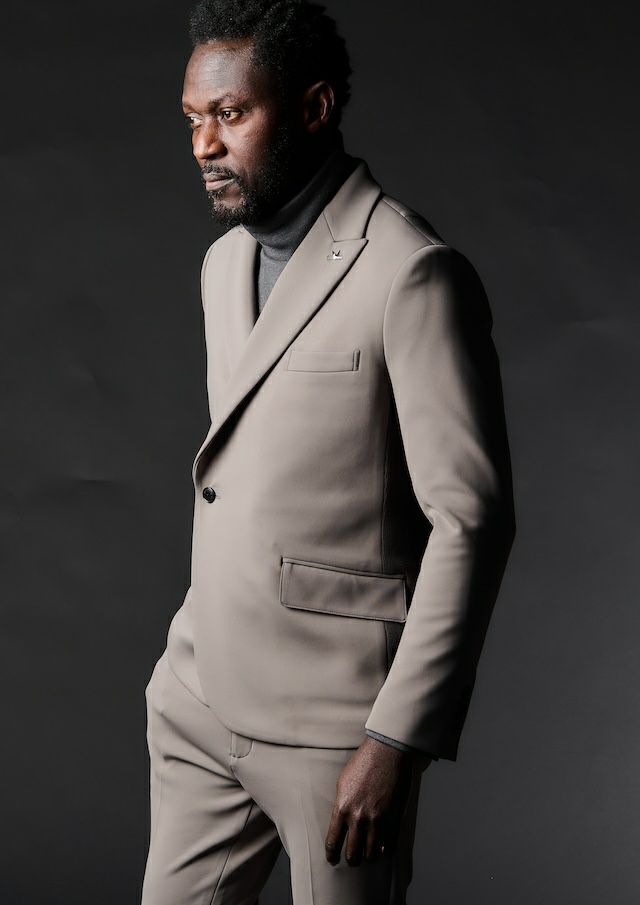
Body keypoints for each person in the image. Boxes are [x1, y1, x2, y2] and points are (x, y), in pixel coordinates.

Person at [141, 1, 516, 903]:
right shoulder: (223, 265)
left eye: (231, 114)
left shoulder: (411, 272)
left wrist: (395, 739)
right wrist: (180, 676)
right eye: (193, 119)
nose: (204, 144)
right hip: (199, 696)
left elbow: (469, 521)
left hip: (335, 730)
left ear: (314, 107)